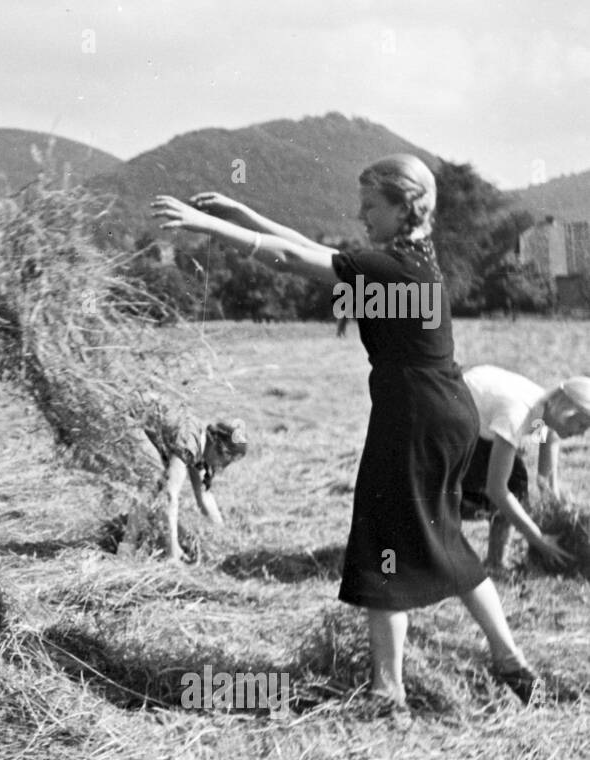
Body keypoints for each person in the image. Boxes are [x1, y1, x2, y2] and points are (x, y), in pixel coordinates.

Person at [150, 154, 539, 714]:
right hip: (447, 414)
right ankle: (509, 661)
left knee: (383, 541)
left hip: (412, 417)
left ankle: (388, 692)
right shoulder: (413, 259)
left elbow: (290, 259)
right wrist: (243, 211)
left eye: (371, 207)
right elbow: (311, 250)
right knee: (442, 534)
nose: (362, 217)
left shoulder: (394, 267)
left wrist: (207, 225)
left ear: (405, 206)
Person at [461, 364, 590, 569]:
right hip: (450, 416)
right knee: (467, 490)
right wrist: (538, 538)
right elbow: (496, 489)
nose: (582, 433)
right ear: (566, 411)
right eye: (582, 425)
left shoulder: (545, 410)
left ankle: (495, 562)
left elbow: (547, 442)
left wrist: (553, 496)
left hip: (478, 417)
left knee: (516, 482)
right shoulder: (519, 414)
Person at [126, 411, 249, 561]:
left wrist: (223, 538)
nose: (221, 468)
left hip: (137, 421)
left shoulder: (203, 444)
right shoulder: (191, 442)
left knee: (155, 481)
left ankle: (132, 546)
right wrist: (173, 549)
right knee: (152, 477)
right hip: (128, 417)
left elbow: (204, 496)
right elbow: (170, 494)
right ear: (219, 448)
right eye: (225, 462)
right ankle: (126, 549)